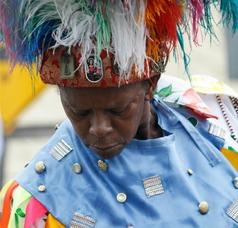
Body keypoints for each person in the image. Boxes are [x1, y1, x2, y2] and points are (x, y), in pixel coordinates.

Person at [1, 1, 238, 227]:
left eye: (118, 109)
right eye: (79, 112)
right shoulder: (37, 201)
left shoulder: (219, 116)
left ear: (151, 84)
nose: (99, 128)